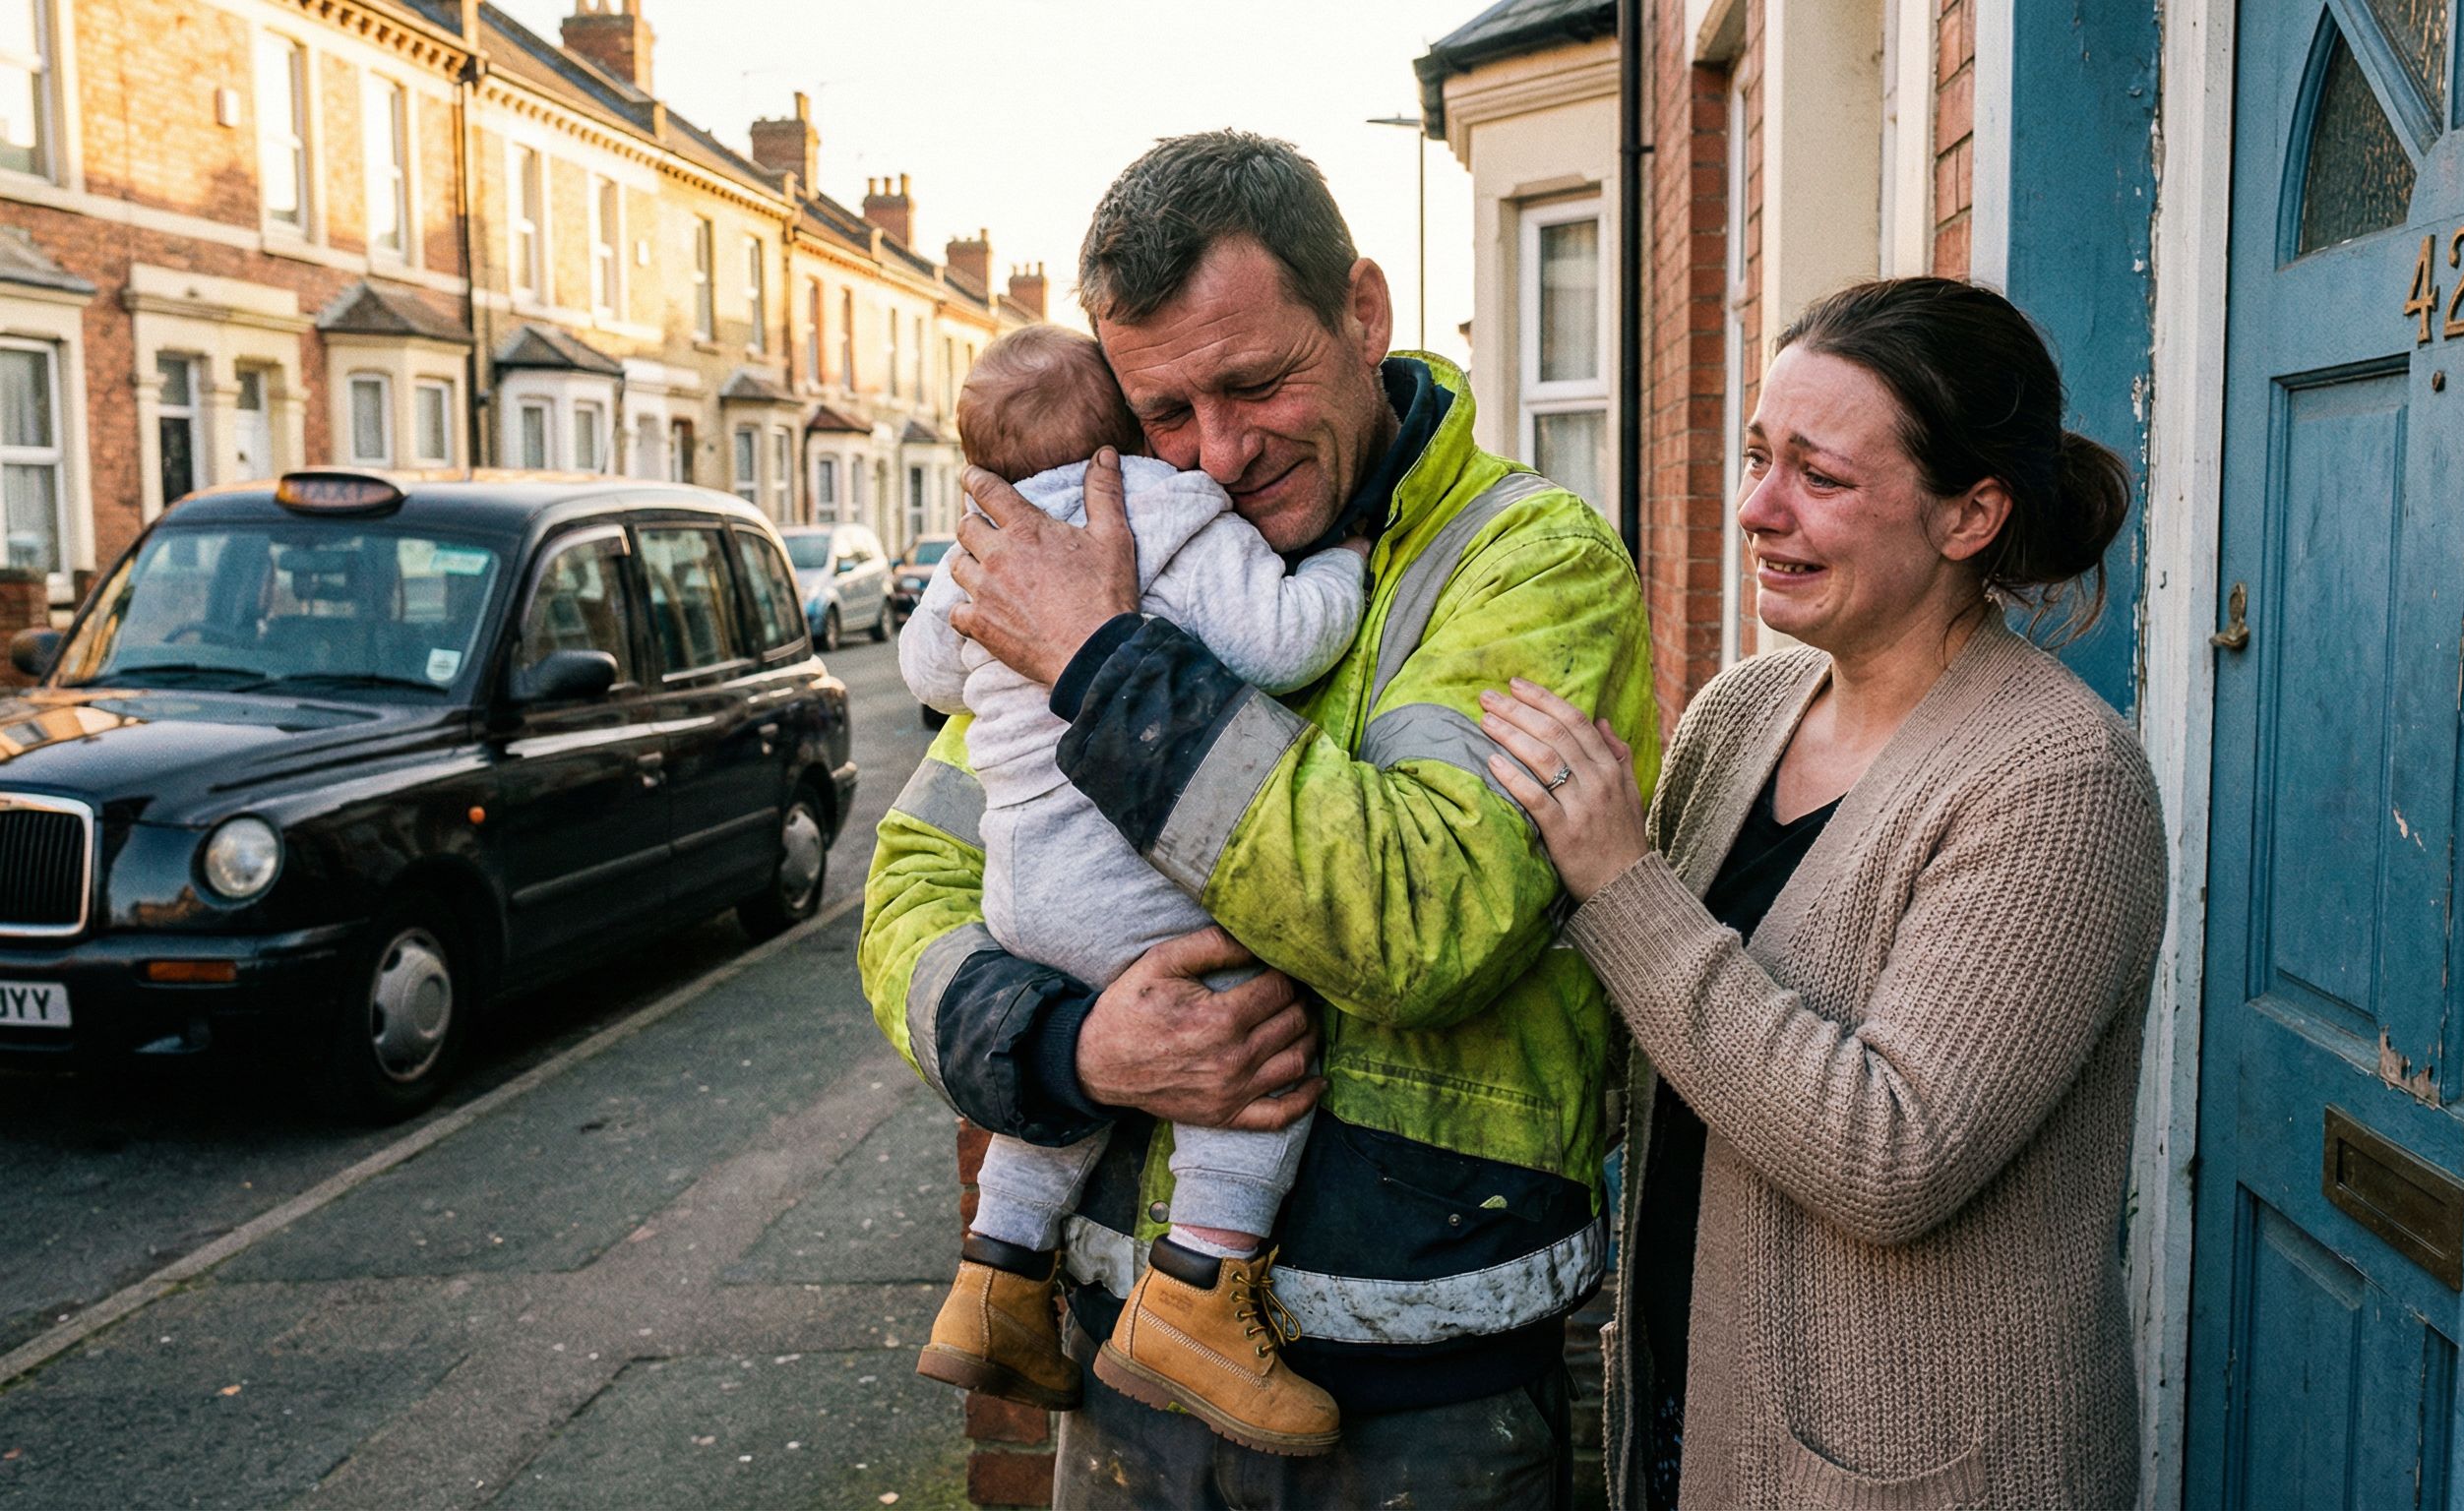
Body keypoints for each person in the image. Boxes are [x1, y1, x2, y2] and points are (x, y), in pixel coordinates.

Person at [856, 129, 1658, 1507]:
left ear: (1362, 311)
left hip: (1417, 1399)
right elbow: (915, 892)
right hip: (1125, 1364)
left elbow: (1432, 924)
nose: (1217, 455)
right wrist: (1071, 1042)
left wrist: (1106, 669)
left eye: (1256, 382)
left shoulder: (1529, 565)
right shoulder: (1101, 549)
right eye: (1166, 413)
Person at [1478, 277, 2168, 1510]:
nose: (1756, 509)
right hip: (1696, 1402)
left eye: (1818, 477)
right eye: (1756, 459)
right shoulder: (1746, 712)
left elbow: (1891, 1155)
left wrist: (1620, 881)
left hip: (1913, 1472)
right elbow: (1659, 1036)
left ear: (1971, 515)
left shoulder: (2058, 778)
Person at [897, 323, 1369, 1454]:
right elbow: (1288, 639)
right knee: (1252, 1035)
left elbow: (923, 674)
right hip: (1136, 882)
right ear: (1128, 437)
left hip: (1021, 900)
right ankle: (1201, 1292)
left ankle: (998, 1280)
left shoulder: (981, 546)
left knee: (1066, 1074)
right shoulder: (1163, 508)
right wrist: (1348, 559)